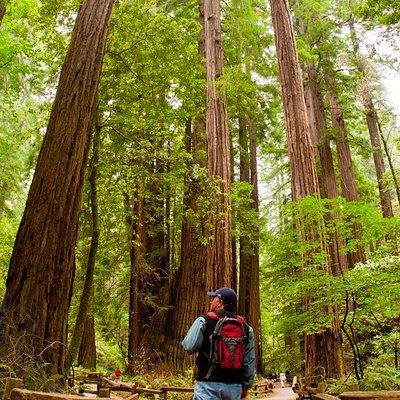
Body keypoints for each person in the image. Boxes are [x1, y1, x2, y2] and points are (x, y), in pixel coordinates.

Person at [182, 287, 255, 400]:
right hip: (234, 386)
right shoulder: (246, 328)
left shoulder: (204, 320)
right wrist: (246, 386)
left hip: (208, 384)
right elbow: (249, 361)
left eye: (214, 298)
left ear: (220, 302)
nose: (211, 301)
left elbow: (189, 347)